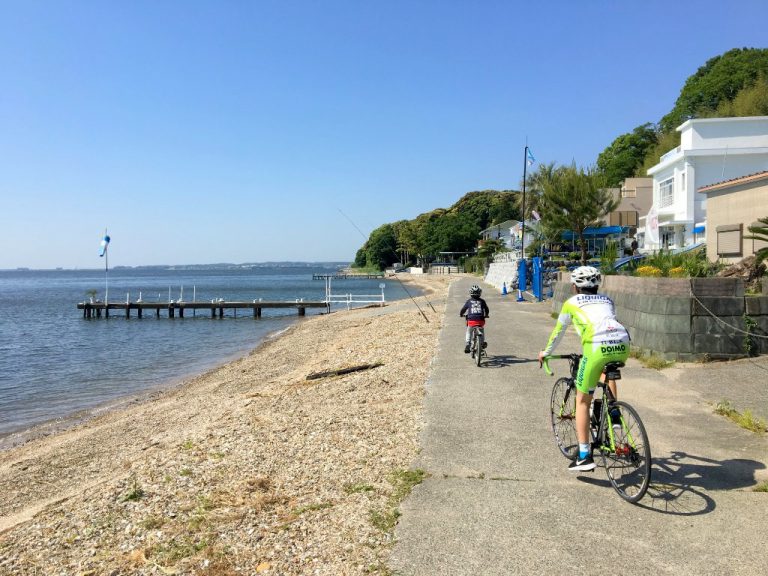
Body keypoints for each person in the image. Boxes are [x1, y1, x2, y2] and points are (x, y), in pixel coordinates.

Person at [538, 266, 630, 472]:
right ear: (598, 285)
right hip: (623, 344)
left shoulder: (571, 303)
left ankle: (584, 456)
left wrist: (545, 352)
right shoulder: (607, 300)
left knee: (582, 400)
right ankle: (614, 413)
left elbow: (558, 331)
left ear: (574, 287)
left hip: (596, 347)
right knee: (607, 370)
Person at [459, 284, 489, 353]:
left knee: (469, 331)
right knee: (481, 330)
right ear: (480, 293)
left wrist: (461, 314)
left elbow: (463, 309)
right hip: (481, 320)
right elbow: (487, 309)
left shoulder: (469, 301)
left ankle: (467, 344)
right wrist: (486, 315)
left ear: (470, 293)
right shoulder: (482, 301)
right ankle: (482, 343)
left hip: (471, 321)